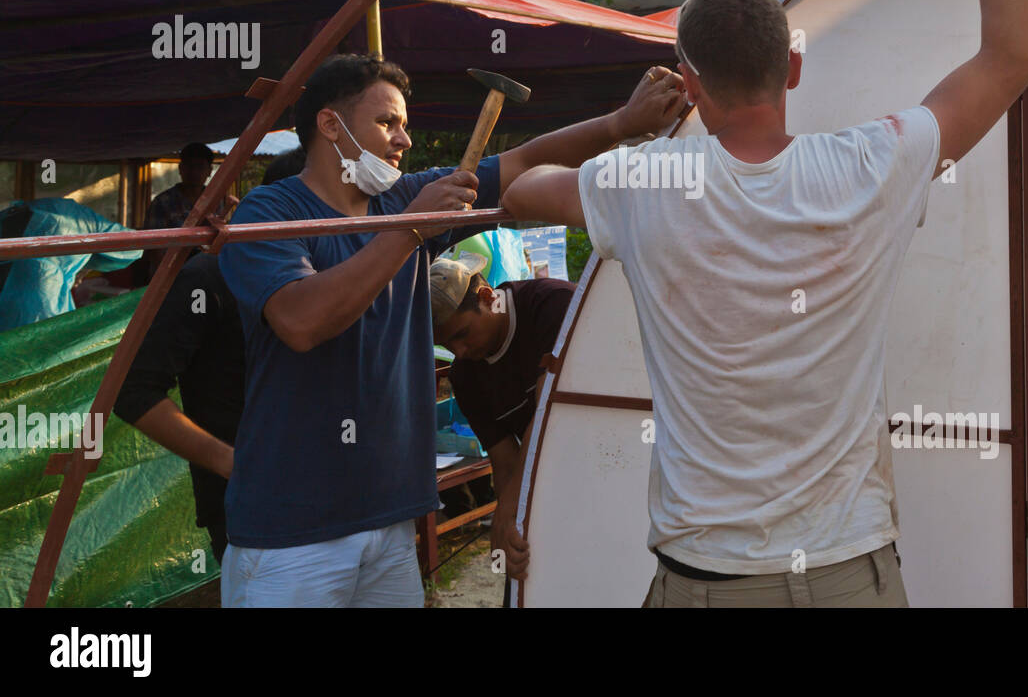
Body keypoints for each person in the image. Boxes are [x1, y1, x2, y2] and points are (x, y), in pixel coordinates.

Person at [500, 0, 1028, 607]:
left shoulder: (643, 181)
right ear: (791, 64)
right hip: (850, 571)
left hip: (707, 581)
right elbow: (1013, 55)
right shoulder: (872, 164)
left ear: (688, 81)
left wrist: (621, 124)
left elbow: (516, 182)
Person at [215, 52, 683, 607]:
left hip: (389, 522)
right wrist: (415, 227)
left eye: (405, 125)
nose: (404, 140)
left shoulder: (398, 200)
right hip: (292, 536)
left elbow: (523, 162)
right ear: (330, 124)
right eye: (387, 122)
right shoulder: (271, 211)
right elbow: (300, 320)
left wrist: (620, 125)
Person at [114, 147, 306, 568]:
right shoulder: (209, 279)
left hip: (330, 498)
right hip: (253, 510)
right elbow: (133, 389)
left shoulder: (328, 277)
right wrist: (234, 464)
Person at [430, 255, 576, 600]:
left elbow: (548, 415)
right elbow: (505, 460)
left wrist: (507, 507)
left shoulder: (553, 305)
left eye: (462, 335)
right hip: (546, 489)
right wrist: (506, 523)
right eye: (447, 346)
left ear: (486, 296)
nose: (460, 352)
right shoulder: (465, 376)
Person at [0, 198, 141, 331]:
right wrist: (84, 265)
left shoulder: (19, 214)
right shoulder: (77, 219)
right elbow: (133, 246)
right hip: (40, 303)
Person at [144, 142, 238, 277]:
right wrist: (170, 277)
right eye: (190, 166)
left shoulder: (218, 201)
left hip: (206, 273)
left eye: (200, 167)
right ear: (181, 169)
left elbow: (222, 238)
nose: (194, 172)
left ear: (209, 171)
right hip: (169, 277)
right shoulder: (163, 203)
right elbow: (153, 247)